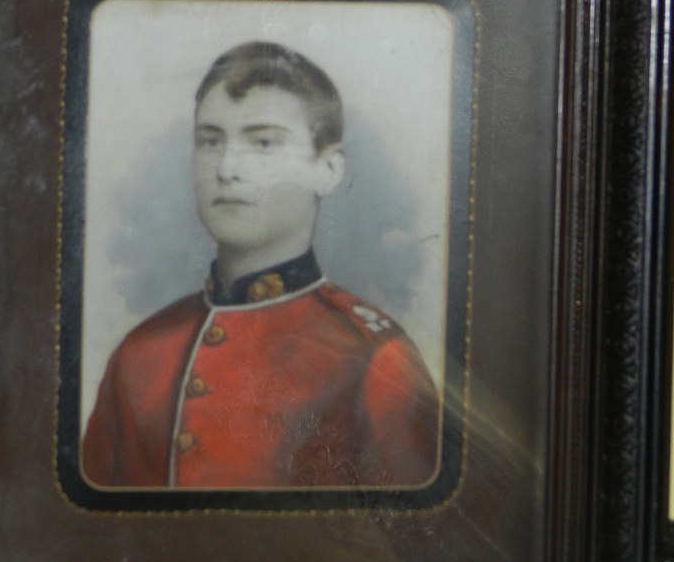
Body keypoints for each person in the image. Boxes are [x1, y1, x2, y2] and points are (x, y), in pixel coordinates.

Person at [81, 41, 441, 490]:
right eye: (210, 141)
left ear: (327, 169)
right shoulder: (139, 353)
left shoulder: (374, 358)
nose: (227, 168)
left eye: (263, 142)